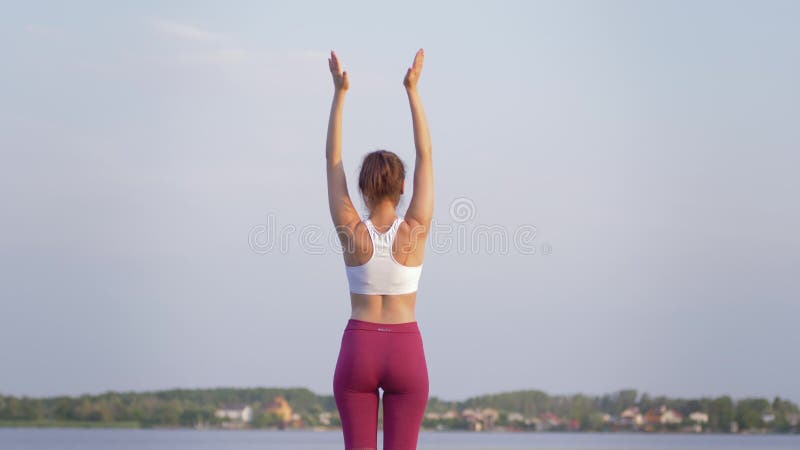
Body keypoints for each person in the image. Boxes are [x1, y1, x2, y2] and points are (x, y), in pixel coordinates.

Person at [326, 48, 433, 450]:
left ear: (363, 190)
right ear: (403, 186)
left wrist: (340, 93)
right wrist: (413, 91)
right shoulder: (416, 230)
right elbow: (425, 156)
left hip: (360, 349)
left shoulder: (352, 231)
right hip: (406, 349)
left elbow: (332, 160)